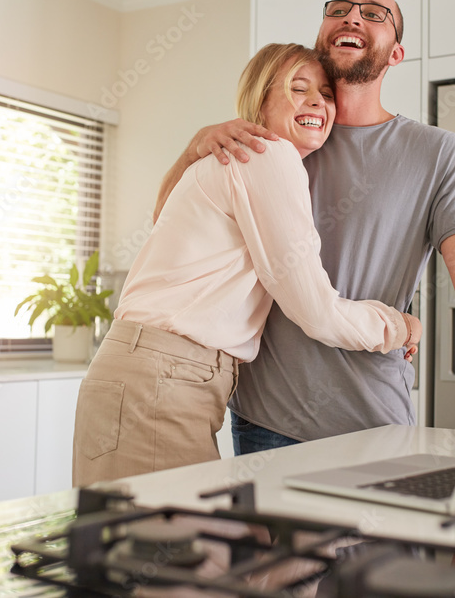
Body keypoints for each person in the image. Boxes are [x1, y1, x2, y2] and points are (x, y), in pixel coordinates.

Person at [155, 0, 455, 451]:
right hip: (266, 419)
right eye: (338, 8)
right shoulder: (275, 139)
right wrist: (193, 147)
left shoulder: (435, 152)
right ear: (323, 36)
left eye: (375, 13)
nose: (353, 16)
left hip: (375, 421)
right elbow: (168, 227)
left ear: (396, 54)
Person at [73, 43, 423, 487]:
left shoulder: (237, 159)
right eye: (299, 88)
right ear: (260, 101)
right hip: (163, 383)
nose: (317, 100)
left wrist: (192, 148)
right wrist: (400, 327)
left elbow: (162, 218)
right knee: (173, 551)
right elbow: (316, 311)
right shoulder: (267, 154)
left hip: (147, 375)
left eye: (326, 93)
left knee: (141, 548)